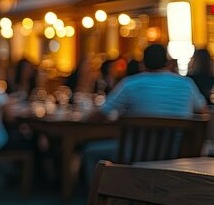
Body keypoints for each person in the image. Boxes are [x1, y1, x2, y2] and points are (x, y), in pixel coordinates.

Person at [83, 44, 208, 183]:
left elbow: (99, 116)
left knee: (90, 152)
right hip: (176, 154)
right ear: (167, 63)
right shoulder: (186, 84)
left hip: (135, 155)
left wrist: (84, 118)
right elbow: (204, 114)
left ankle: (101, 201)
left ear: (142, 64)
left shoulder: (130, 84)